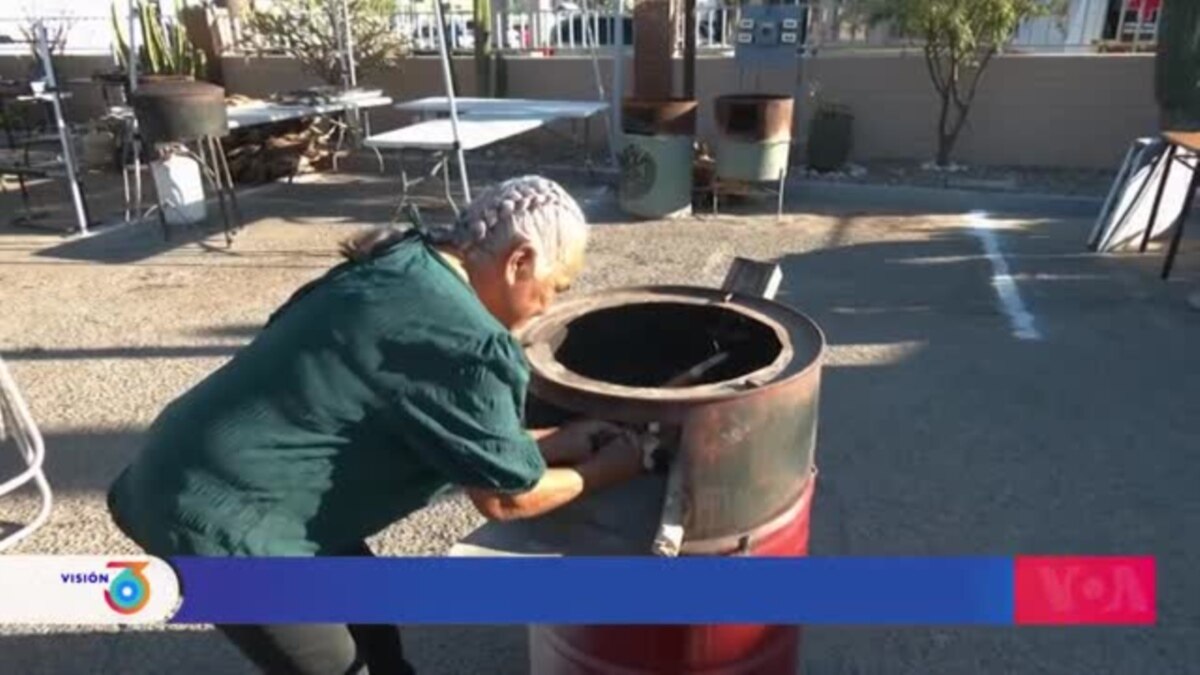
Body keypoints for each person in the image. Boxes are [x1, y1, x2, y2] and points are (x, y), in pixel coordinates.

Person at [106, 175, 645, 675]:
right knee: (339, 666)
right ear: (520, 261)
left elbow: (453, 433)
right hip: (218, 520)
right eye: (558, 286)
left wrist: (561, 440)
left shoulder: (404, 262)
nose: (550, 306)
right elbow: (507, 498)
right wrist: (606, 470)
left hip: (190, 462)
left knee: (369, 614)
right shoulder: (468, 342)